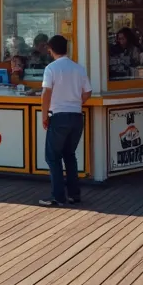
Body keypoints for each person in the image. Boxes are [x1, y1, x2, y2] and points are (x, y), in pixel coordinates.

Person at [38, 35, 91, 207]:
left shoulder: (51, 68)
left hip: (59, 115)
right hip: (76, 116)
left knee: (53, 157)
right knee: (70, 155)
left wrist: (44, 115)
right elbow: (88, 92)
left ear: (50, 49)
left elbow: (46, 93)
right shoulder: (79, 68)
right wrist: (76, 103)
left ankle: (58, 196)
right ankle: (74, 195)